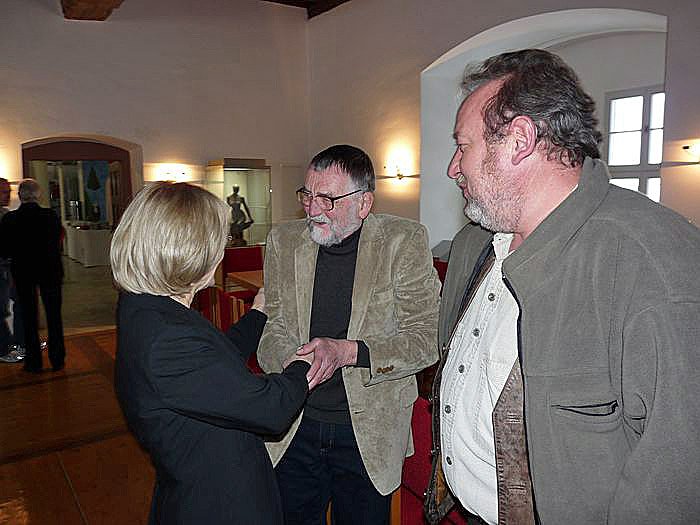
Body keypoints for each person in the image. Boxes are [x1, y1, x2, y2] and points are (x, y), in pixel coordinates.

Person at [424, 49, 700, 525]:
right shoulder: (477, 242)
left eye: (462, 146)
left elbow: (675, 479)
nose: (454, 168)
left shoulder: (652, 260)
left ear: (519, 140)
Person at [111, 181, 314, 524]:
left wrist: (257, 314)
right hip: (219, 504)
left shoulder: (145, 307)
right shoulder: (168, 339)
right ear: (189, 253)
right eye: (219, 241)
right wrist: (305, 365)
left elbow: (210, 369)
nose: (222, 251)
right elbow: (270, 408)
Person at [258, 144, 441, 524]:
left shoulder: (403, 241)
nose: (312, 209)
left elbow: (427, 338)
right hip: (294, 426)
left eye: (327, 199)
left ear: (364, 203)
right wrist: (292, 364)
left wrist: (349, 352)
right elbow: (271, 326)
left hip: (368, 433)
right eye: (307, 195)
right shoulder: (283, 241)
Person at [0, 179, 64, 372]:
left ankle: (34, 362)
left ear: (20, 195)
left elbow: (4, 249)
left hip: (23, 272)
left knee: (28, 317)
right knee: (54, 316)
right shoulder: (50, 215)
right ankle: (57, 358)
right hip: (50, 270)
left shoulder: (10, 219)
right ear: (38, 195)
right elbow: (58, 240)